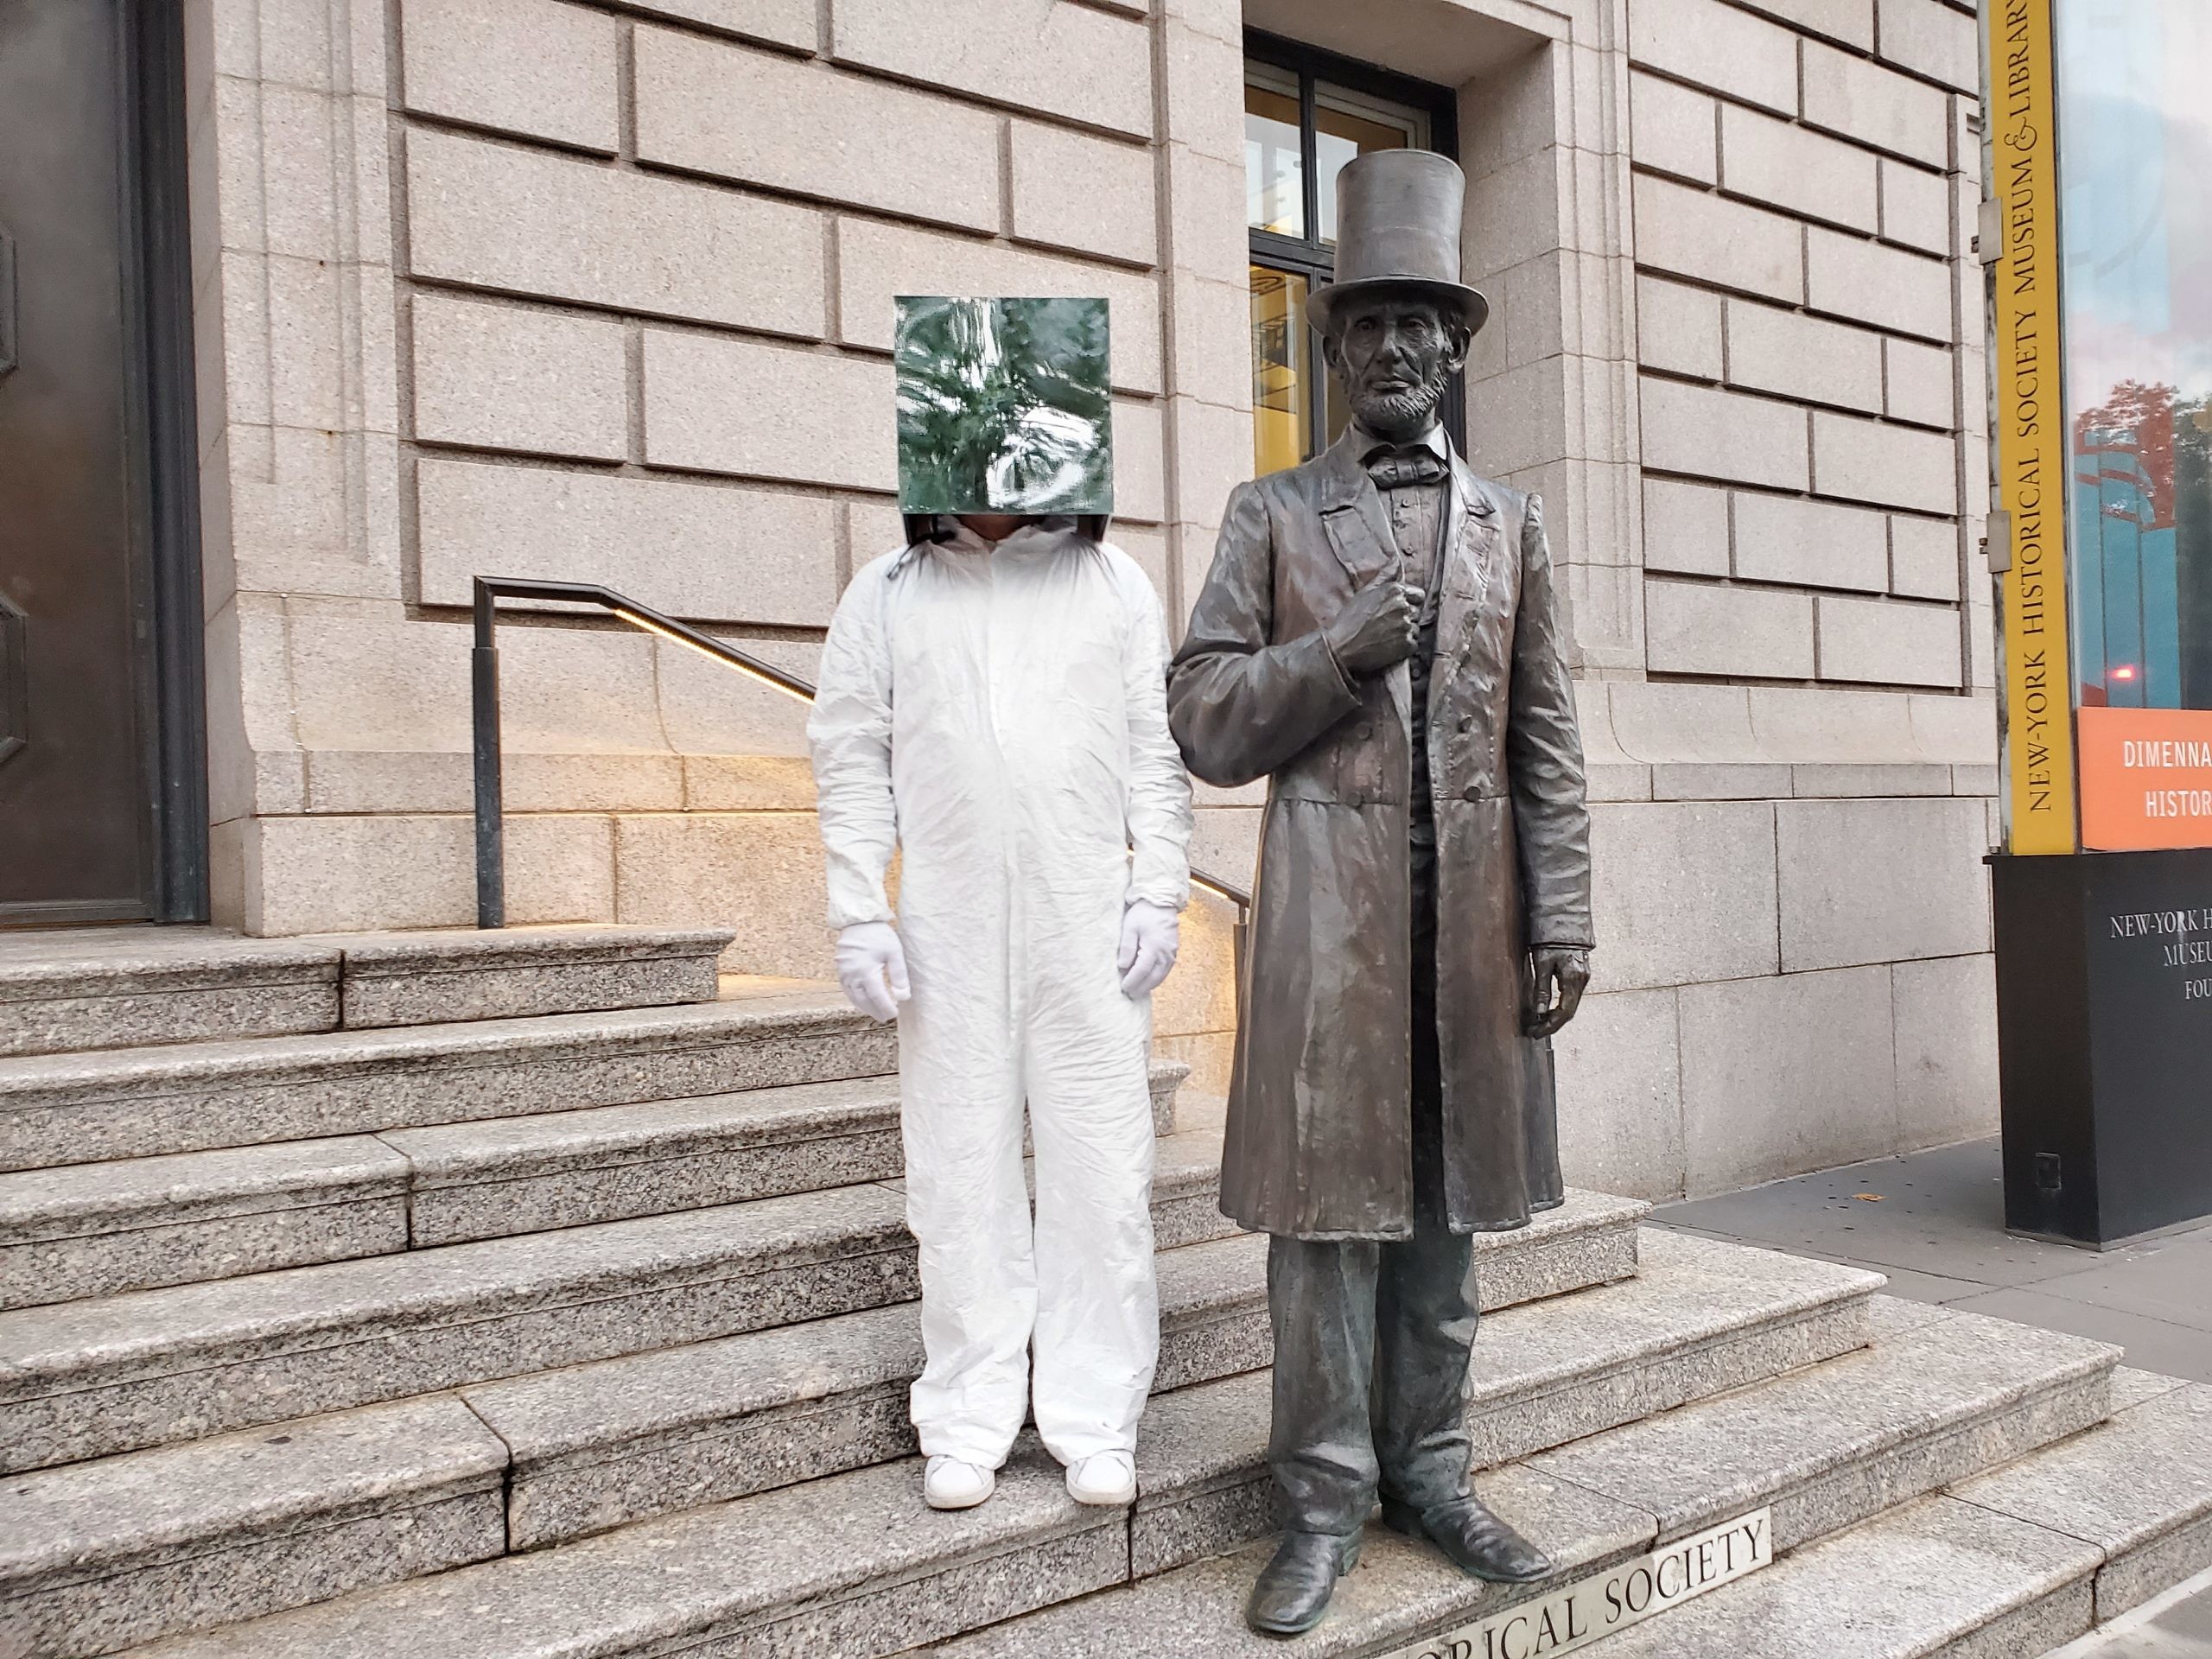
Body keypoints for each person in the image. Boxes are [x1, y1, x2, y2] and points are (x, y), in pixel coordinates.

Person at [1166, 151, 1594, 1635]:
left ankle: (1437, 1471)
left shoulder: (1511, 524)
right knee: (1325, 1235)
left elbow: (1548, 738)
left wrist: (1566, 911)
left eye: (1426, 325)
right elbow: (1204, 717)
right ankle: (1323, 1501)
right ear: (1335, 347)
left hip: (1470, 942)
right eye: (1373, 326)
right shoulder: (1271, 514)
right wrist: (1338, 649)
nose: (1401, 348)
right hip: (1329, 939)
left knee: (1447, 1223)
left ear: (1456, 347)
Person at [809, 299, 1192, 1515]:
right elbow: (848, 751)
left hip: (1088, 919)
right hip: (951, 927)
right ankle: (969, 1410)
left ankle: (1094, 1413)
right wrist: (859, 909)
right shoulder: (887, 593)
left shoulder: (1113, 584)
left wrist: (1159, 888)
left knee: (1101, 1169)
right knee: (959, 1169)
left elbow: (1154, 749)